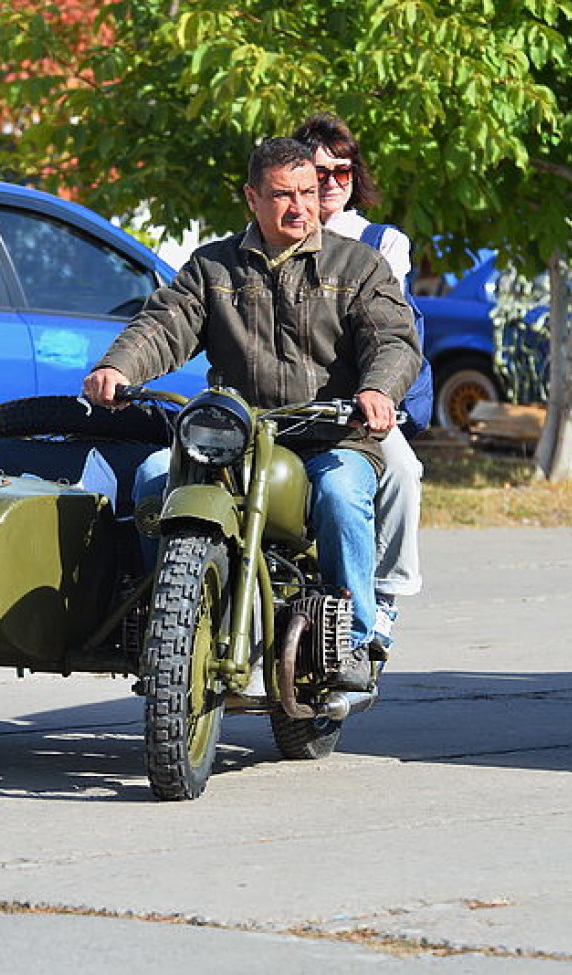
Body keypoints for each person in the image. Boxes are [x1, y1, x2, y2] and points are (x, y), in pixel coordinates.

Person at [83, 137, 421, 688]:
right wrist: (118, 367)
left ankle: (354, 640)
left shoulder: (358, 267)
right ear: (252, 198)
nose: (300, 208)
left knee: (341, 497)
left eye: (308, 193)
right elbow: (165, 325)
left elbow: (393, 339)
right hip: (233, 437)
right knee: (150, 481)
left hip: (330, 435)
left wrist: (378, 390)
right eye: (283, 195)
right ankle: (166, 627)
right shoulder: (214, 267)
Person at [292, 113, 425, 647]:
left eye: (341, 172)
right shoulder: (277, 232)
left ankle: (385, 595)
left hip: (358, 399)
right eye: (318, 173)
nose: (330, 184)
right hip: (286, 401)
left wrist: (377, 392)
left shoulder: (380, 243)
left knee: (402, 468)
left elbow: (386, 330)